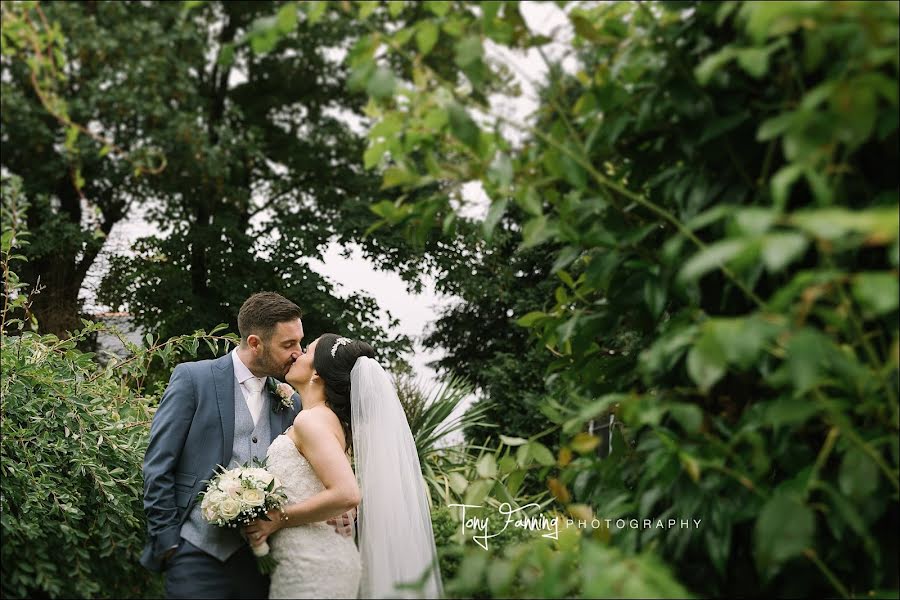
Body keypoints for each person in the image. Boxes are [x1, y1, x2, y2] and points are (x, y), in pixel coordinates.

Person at [140, 292, 353, 598]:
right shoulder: (193, 379)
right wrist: (169, 542)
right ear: (255, 343)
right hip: (195, 552)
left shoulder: (291, 401)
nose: (298, 353)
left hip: (261, 560)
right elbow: (158, 465)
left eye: (300, 342)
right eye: (288, 344)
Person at [243, 333, 443, 599]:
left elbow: (347, 493)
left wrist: (278, 519)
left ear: (317, 374)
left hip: (312, 567)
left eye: (307, 351)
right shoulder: (329, 422)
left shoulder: (311, 422)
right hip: (316, 559)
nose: (297, 354)